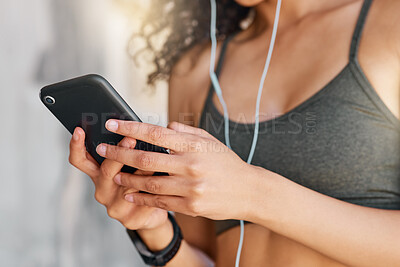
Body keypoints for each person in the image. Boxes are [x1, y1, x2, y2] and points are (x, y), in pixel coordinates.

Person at [68, 0, 400, 266]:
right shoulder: (196, 69)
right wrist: (155, 230)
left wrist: (254, 193)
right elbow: (203, 258)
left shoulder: (391, 22)